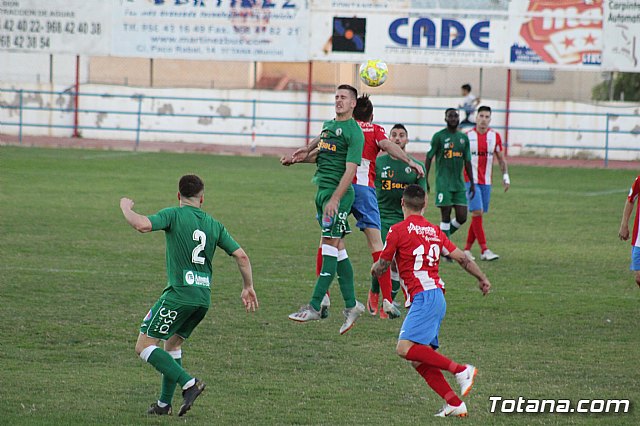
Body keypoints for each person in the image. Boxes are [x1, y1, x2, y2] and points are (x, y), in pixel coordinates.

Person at [119, 174, 258, 416]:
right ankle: (164, 405)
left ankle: (189, 383)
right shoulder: (215, 224)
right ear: (202, 198)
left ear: (178, 195)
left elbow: (141, 224)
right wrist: (248, 286)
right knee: (172, 343)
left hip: (179, 295)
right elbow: (242, 256)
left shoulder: (173, 214)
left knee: (143, 346)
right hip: (202, 299)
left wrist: (124, 206)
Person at [284, 94, 424, 320]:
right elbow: (388, 146)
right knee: (376, 244)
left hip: (341, 187)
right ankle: (387, 300)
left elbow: (321, 154)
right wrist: (409, 161)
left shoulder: (341, 129)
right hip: (364, 190)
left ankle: (326, 295)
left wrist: (297, 158)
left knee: (329, 241)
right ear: (371, 115)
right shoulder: (374, 130)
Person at [371, 184, 491, 417]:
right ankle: (455, 404)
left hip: (424, 297)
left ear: (402, 203)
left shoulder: (397, 230)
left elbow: (382, 266)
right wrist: (482, 277)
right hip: (436, 296)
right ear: (425, 204)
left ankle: (461, 370)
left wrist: (374, 268)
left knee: (404, 348)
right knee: (419, 359)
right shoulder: (435, 231)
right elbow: (462, 258)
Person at [286, 84, 367, 335]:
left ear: (353, 103)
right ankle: (352, 305)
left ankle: (316, 305)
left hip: (337, 195)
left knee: (328, 246)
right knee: (337, 248)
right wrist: (301, 155)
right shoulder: (329, 125)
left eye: (343, 98)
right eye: (336, 97)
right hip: (322, 193)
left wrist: (335, 198)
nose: (338, 101)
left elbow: (350, 170)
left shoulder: (355, 132)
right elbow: (322, 145)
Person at [368, 124, 426, 315]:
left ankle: (388, 300)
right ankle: (376, 293)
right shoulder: (378, 163)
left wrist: (419, 222)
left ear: (407, 140)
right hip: (381, 216)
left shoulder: (416, 166)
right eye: (394, 135)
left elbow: (422, 198)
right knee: (385, 256)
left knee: (397, 262)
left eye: (402, 135)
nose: (397, 138)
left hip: (404, 220)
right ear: (388, 140)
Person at [462, 106, 510, 261]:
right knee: (477, 212)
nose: (483, 119)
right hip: (470, 180)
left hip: (486, 182)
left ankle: (467, 250)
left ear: (490, 119)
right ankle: (484, 250)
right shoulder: (467, 136)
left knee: (478, 214)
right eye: (481, 116)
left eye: (486, 116)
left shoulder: (494, 136)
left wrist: (505, 176)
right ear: (476, 117)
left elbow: (501, 158)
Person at [425, 108, 475, 239]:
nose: (453, 119)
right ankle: (446, 251)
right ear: (445, 119)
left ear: (459, 119)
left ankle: (440, 240)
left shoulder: (463, 138)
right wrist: (425, 179)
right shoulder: (439, 137)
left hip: (459, 184)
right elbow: (429, 157)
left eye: (455, 116)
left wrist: (473, 183)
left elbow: (468, 161)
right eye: (450, 116)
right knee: (445, 216)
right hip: (443, 184)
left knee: (462, 217)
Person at [618, 175, 640, 288]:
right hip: (639, 239)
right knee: (638, 277)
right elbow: (630, 200)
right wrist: (624, 224)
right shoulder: (639, 180)